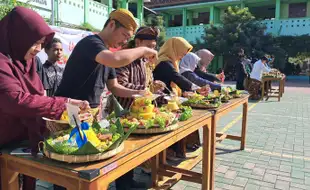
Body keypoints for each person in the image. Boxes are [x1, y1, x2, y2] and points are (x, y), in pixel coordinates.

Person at [55, 9, 157, 190]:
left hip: (91, 113)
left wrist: (141, 93)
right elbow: (116, 59)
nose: (125, 41)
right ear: (111, 25)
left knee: (85, 164)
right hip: (70, 112)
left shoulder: (107, 53)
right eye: (125, 35)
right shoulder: (91, 43)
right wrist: (142, 49)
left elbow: (115, 87)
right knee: (68, 166)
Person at [0, 7, 89, 190]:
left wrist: (67, 111)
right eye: (35, 43)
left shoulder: (27, 62)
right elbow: (15, 100)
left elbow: (38, 97)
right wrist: (63, 104)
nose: (38, 49)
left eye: (41, 43)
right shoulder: (2, 62)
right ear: (18, 37)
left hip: (24, 143)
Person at [153, 37, 209, 159]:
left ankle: (177, 150)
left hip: (167, 99)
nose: (182, 57)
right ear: (174, 49)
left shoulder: (171, 61)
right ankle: (166, 154)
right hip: (160, 101)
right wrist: (197, 88)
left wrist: (185, 92)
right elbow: (177, 77)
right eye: (181, 54)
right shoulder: (164, 62)